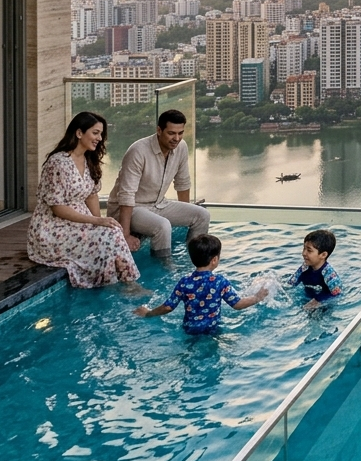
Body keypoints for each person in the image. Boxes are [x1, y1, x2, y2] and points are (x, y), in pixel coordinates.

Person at [27, 112, 140, 289]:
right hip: (53, 227)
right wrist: (96, 221)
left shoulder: (89, 159)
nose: (99, 138)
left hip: (80, 222)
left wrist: (101, 223)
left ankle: (124, 282)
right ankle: (121, 285)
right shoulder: (58, 162)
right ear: (79, 133)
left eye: (101, 134)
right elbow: (57, 208)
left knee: (111, 231)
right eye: (95, 133)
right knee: (110, 235)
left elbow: (91, 195)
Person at [109, 109, 210, 258]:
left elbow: (182, 183)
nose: (176, 138)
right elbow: (126, 195)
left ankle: (192, 261)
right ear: (159, 130)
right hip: (133, 207)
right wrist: (125, 235)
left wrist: (185, 213)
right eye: (171, 133)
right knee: (162, 226)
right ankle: (163, 268)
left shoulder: (181, 147)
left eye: (180, 133)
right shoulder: (138, 151)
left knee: (202, 215)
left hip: (160, 204)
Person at [134, 234, 267, 334]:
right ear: (214, 260)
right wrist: (257, 297)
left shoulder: (184, 282)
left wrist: (148, 313)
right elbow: (237, 305)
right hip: (212, 329)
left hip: (189, 330)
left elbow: (168, 307)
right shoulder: (220, 281)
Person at [286, 228, 345, 311]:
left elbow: (337, 294)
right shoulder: (304, 268)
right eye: (304, 248)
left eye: (309, 250)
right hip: (305, 300)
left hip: (323, 306)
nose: (303, 253)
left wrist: (318, 301)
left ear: (323, 255)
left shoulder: (329, 274)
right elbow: (291, 284)